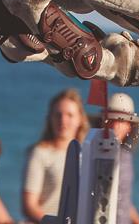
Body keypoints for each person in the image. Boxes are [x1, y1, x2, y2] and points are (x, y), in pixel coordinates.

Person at [21, 88, 89, 223]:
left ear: (80, 119)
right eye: (58, 115)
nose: (63, 120)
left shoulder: (88, 155)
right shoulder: (40, 153)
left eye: (69, 115)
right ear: (50, 118)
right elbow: (29, 206)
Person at [98, 92, 139, 224]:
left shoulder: (126, 156)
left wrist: (138, 221)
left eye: (121, 121)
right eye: (111, 120)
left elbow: (123, 199)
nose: (114, 126)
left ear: (129, 126)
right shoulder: (93, 153)